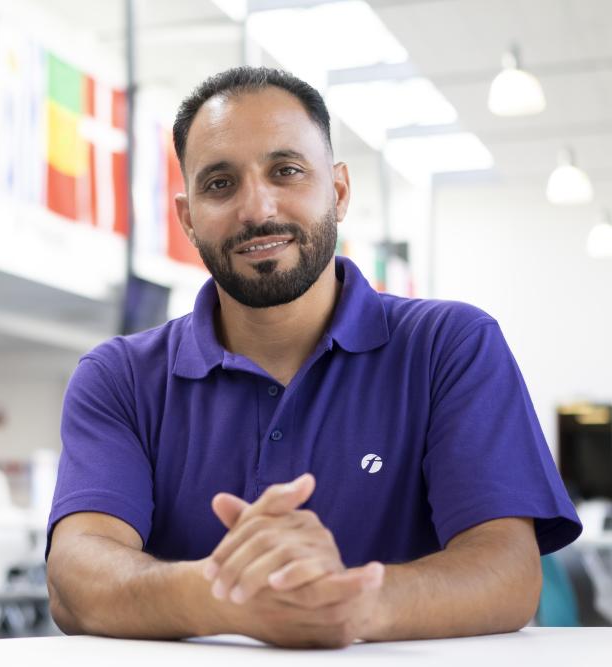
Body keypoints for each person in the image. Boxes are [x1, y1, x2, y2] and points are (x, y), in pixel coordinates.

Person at [45, 66, 582, 649]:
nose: (257, 207)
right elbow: (76, 574)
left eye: (287, 171)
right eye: (220, 184)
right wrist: (229, 597)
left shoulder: (449, 346)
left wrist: (349, 604)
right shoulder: (120, 378)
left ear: (340, 191)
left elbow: (508, 572)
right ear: (187, 217)